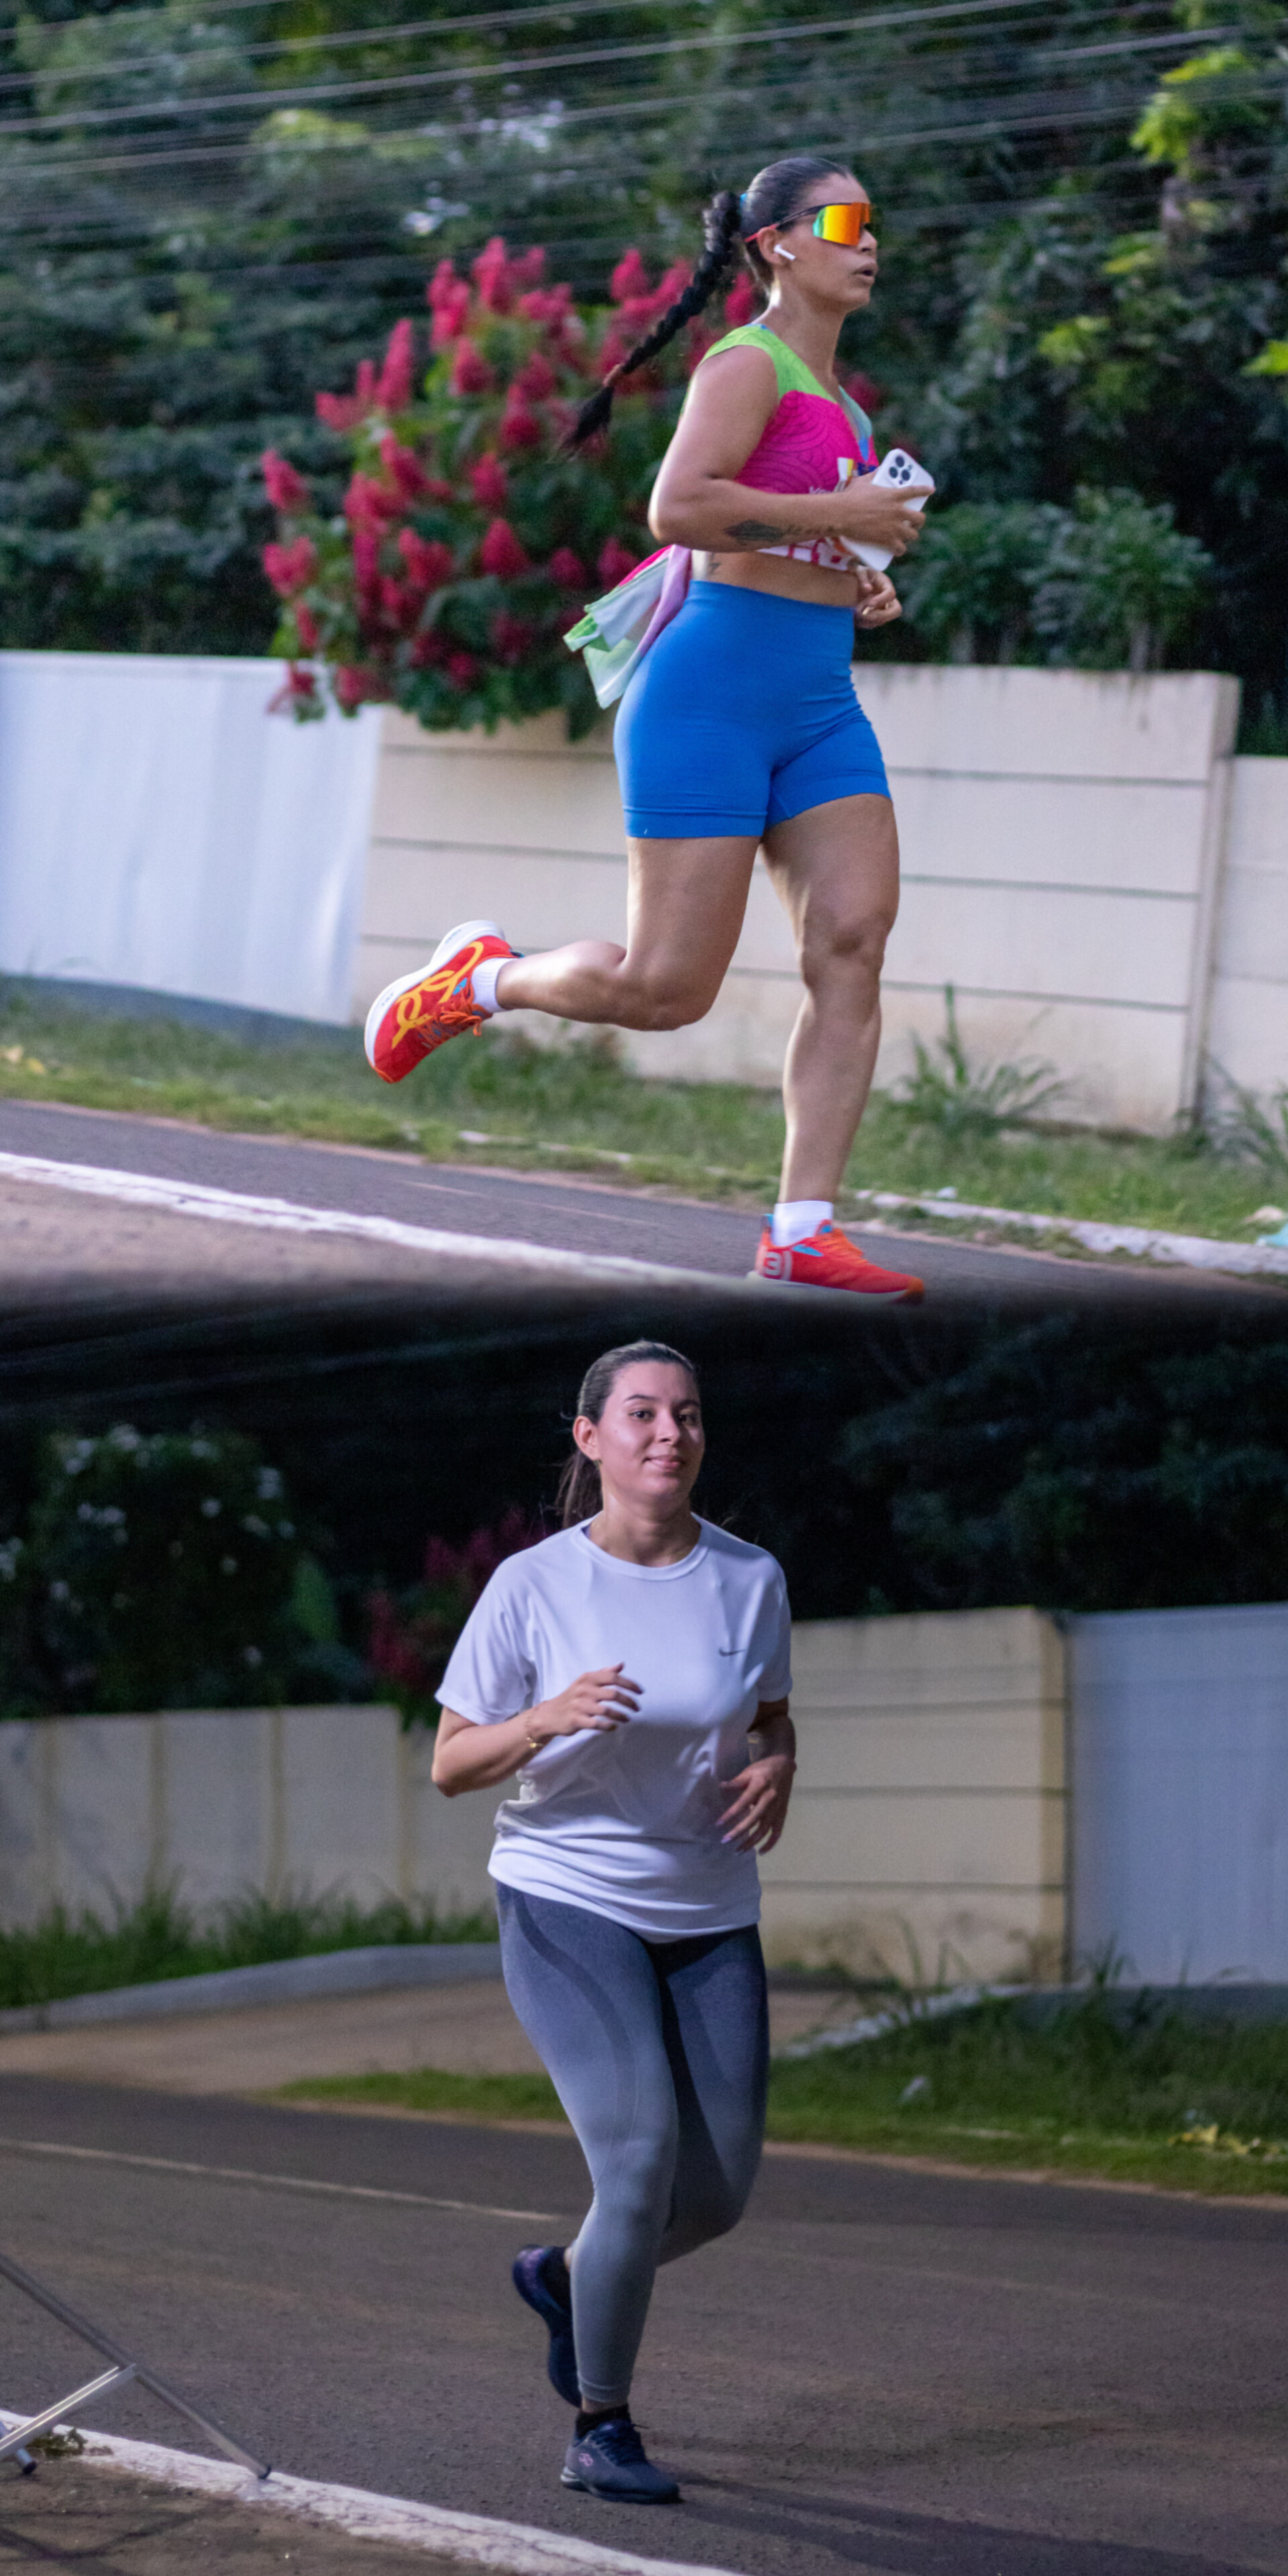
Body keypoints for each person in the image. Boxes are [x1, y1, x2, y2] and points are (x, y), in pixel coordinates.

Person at [366, 155, 928, 1301]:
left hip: (819, 702)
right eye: (844, 219)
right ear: (777, 244)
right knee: (666, 991)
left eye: (874, 222)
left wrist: (858, 573)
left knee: (854, 939)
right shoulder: (746, 364)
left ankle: (803, 1228)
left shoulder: (851, 408)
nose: (868, 240)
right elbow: (681, 507)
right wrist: (841, 509)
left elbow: (790, 530)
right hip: (710, 692)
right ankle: (481, 981)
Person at [431, 1340, 795, 2503]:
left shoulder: (750, 1579)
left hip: (711, 1907)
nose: (669, 1434)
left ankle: (565, 2278)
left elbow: (771, 1718)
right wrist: (543, 1719)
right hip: (568, 1894)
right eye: (641, 1414)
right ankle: (601, 2426)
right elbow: (451, 1764)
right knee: (638, 2159)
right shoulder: (534, 1585)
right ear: (591, 1439)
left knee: (715, 2196)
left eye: (687, 1414)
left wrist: (781, 1767)